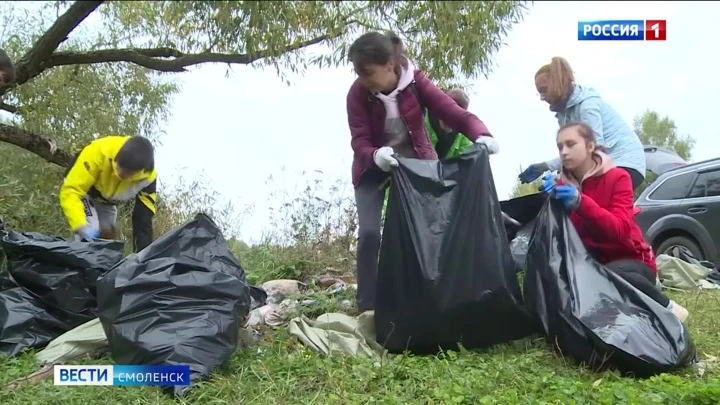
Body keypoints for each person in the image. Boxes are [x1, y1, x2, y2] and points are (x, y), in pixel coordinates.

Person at [346, 31, 499, 311]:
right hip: (373, 166)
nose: (363, 80)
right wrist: (375, 154)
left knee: (432, 229)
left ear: (389, 65)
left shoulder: (417, 83)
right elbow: (360, 140)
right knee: (369, 234)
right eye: (358, 73)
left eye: (367, 72)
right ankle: (367, 305)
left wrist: (482, 133)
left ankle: (433, 296)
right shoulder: (358, 94)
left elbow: (455, 114)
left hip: (417, 165)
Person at [542, 121, 688, 323]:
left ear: (590, 146)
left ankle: (668, 307)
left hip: (631, 261)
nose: (564, 152)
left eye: (570, 144)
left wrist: (581, 202)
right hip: (592, 264)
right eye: (560, 147)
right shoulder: (563, 188)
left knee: (607, 277)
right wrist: (550, 202)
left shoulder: (618, 178)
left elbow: (620, 230)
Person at [519, 57, 646, 190]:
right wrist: (545, 166)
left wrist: (560, 180)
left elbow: (594, 152)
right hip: (608, 164)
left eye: (544, 90)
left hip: (625, 163)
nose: (542, 97)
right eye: (539, 92)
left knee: (583, 200)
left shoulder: (587, 107)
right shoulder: (565, 114)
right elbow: (575, 152)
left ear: (557, 84)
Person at [380, 87, 476, 214]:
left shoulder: (461, 138)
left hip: (437, 206)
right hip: (407, 197)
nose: (451, 120)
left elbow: (470, 164)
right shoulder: (419, 124)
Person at [59, 135, 157, 252]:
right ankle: (77, 265)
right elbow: (71, 191)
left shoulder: (147, 179)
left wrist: (143, 257)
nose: (120, 172)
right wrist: (80, 225)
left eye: (126, 172)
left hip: (107, 202)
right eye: (119, 165)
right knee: (88, 235)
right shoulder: (97, 152)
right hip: (83, 192)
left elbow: (143, 219)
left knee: (106, 243)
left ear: (139, 171)